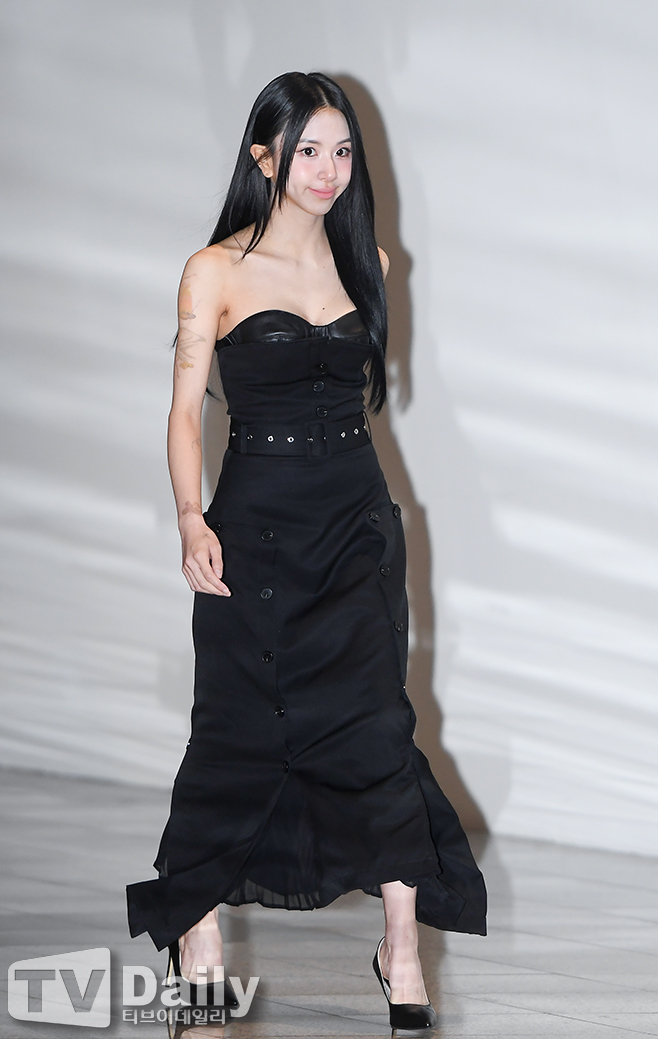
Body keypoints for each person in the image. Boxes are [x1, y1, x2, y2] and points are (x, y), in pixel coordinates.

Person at [126, 71, 486, 1031]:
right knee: (235, 731)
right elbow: (183, 414)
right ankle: (199, 932)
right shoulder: (213, 271)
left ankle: (401, 946)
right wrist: (190, 519)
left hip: (356, 525)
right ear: (264, 157)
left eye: (342, 151)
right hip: (252, 535)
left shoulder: (366, 258)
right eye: (308, 151)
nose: (328, 170)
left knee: (377, 726)